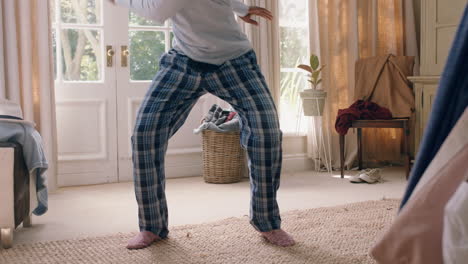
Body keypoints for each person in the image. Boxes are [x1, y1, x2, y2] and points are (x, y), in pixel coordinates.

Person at [109, 0, 296, 250]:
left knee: (266, 132)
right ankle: (152, 226)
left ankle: (267, 221)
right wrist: (241, 8)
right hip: (183, 62)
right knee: (145, 134)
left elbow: (157, 11)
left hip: (235, 62)